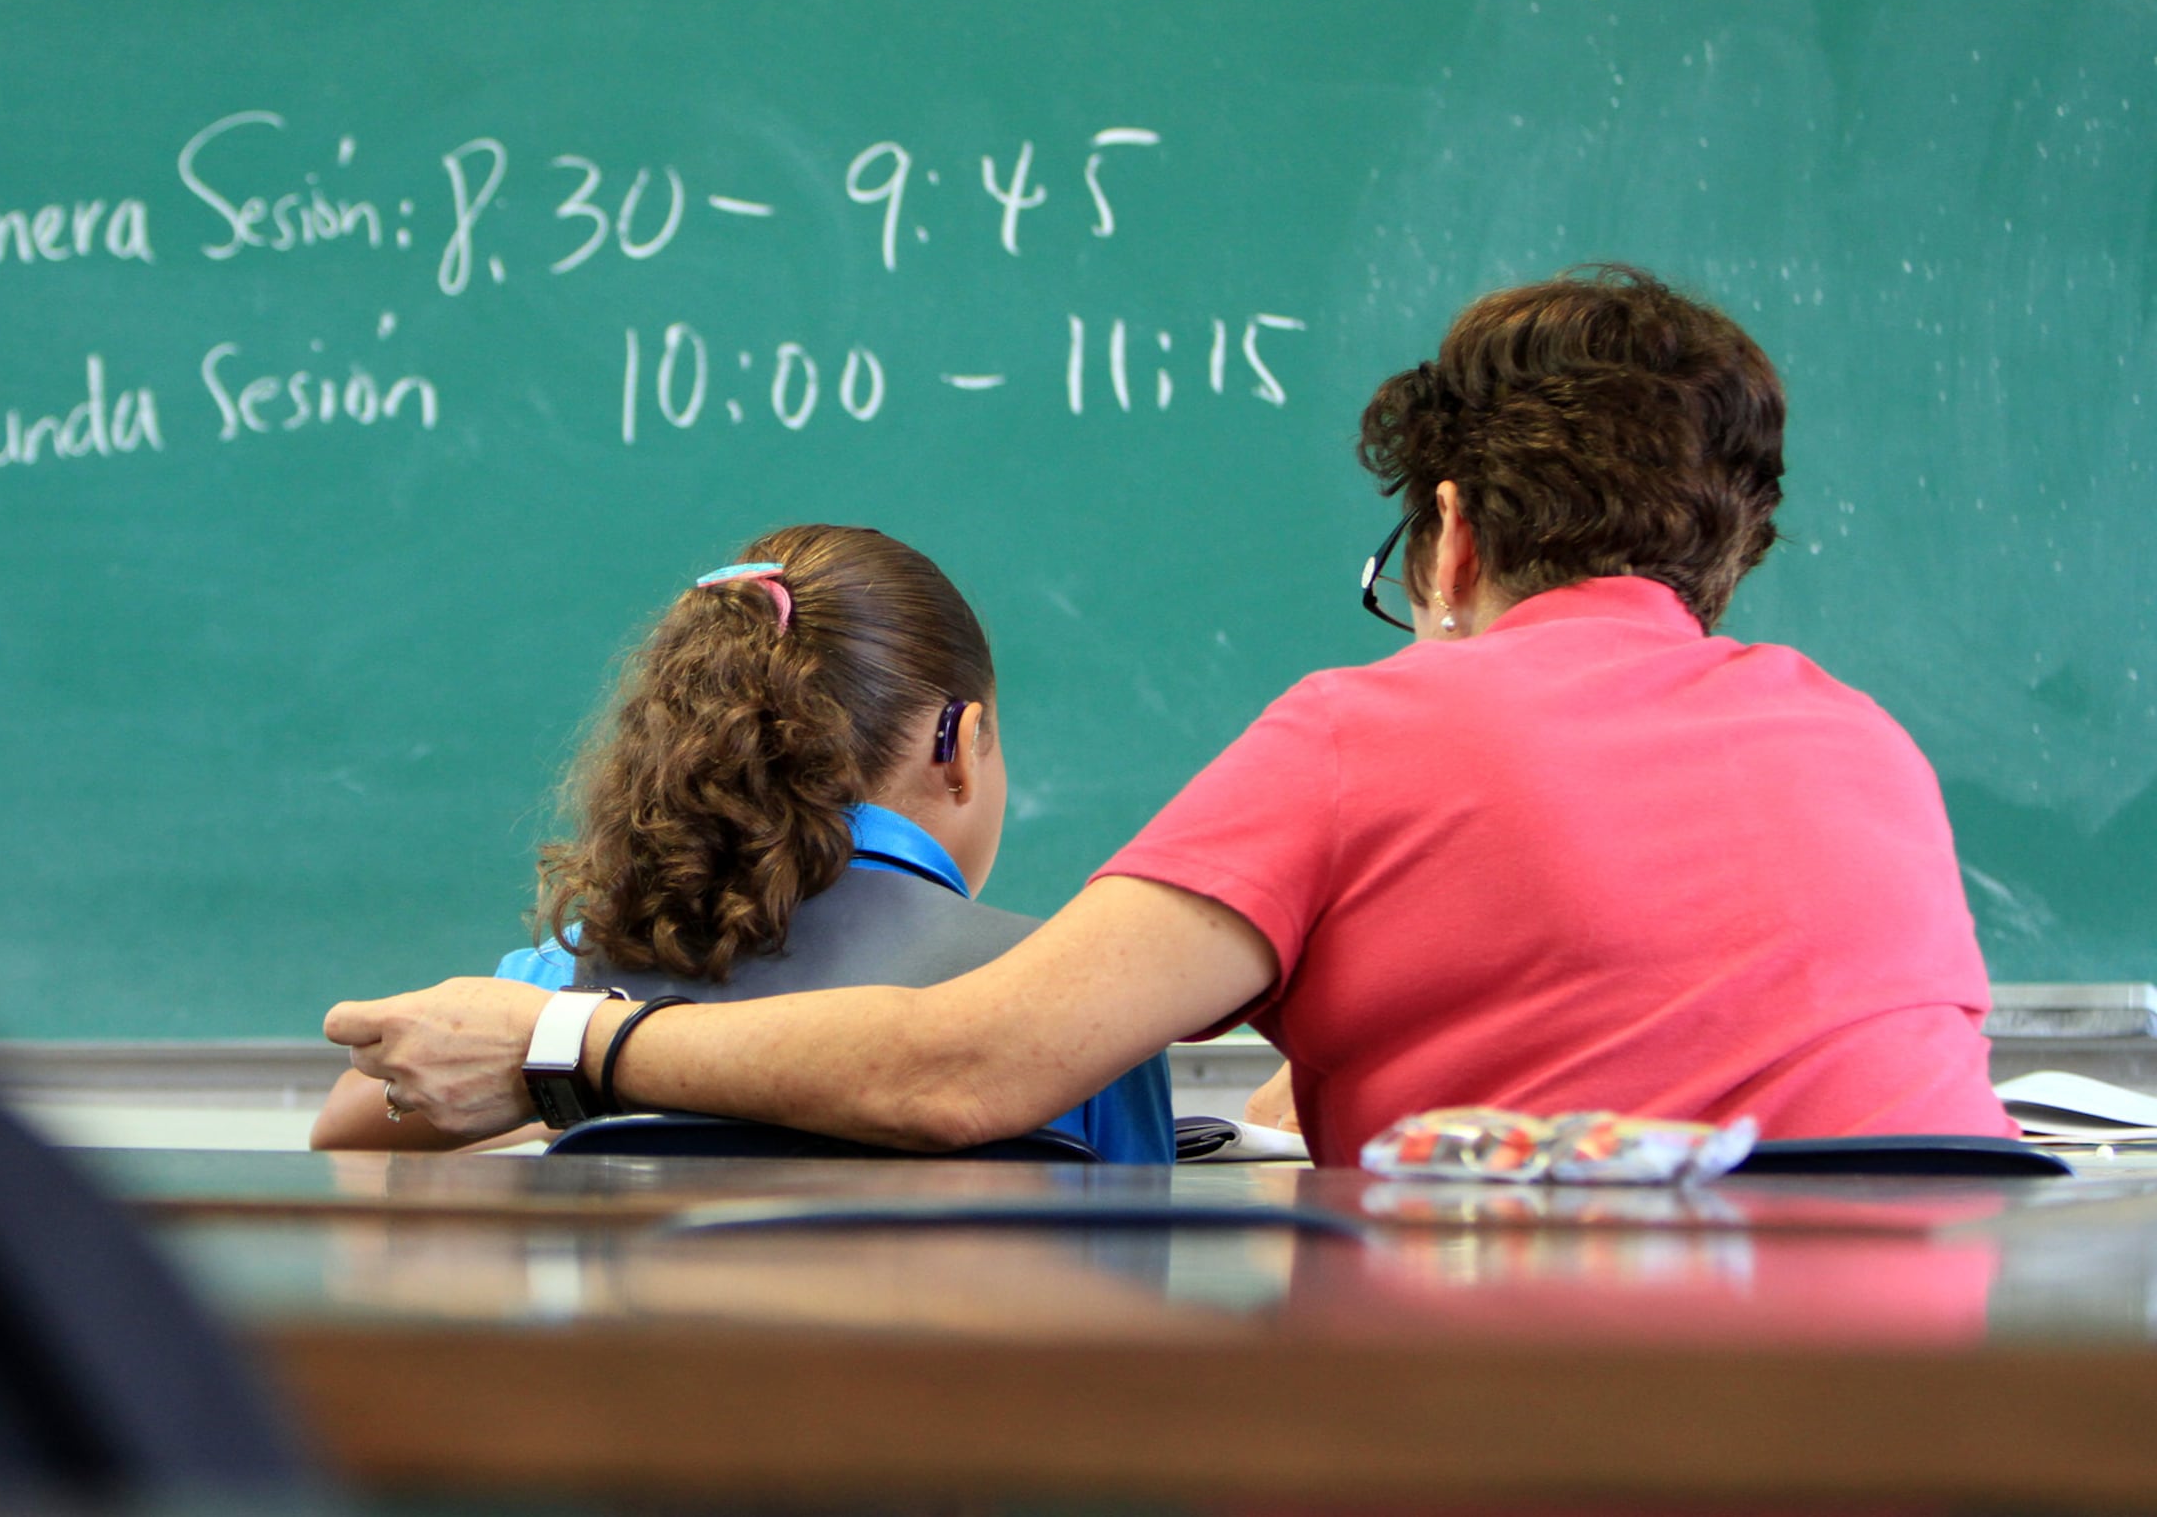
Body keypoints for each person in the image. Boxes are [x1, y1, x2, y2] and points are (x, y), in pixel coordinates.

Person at [326, 267, 2014, 1163]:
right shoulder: (1873, 747)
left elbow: (969, 1068)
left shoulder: (1377, 733)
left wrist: (568, 1041)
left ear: (1451, 535)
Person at [311, 522, 1176, 1161]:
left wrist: (562, 1073)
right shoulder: (1073, 999)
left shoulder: (563, 991)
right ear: (959, 744)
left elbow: (347, 1130)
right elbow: (1141, 1278)